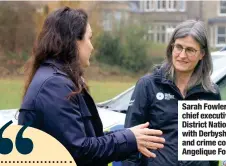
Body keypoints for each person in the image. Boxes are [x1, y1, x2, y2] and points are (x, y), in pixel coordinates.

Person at [18, 7, 165, 166]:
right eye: (89, 38)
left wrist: (127, 135)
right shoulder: (54, 86)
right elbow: (79, 151)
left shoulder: (56, 80)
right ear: (74, 41)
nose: (92, 47)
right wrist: (129, 138)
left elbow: (84, 139)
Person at [122, 20, 221, 166]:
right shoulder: (148, 85)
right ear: (171, 48)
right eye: (179, 47)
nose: (182, 55)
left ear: (202, 54)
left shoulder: (211, 92)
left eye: (190, 50)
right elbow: (130, 141)